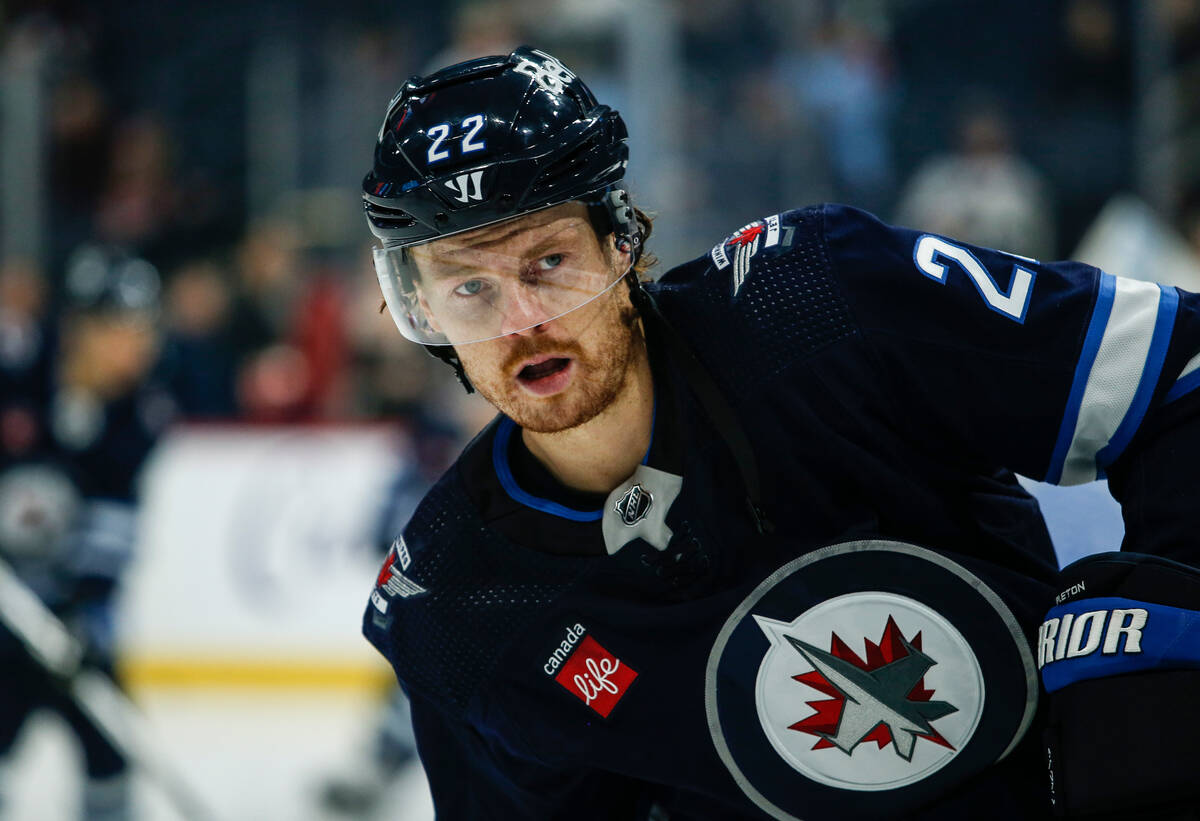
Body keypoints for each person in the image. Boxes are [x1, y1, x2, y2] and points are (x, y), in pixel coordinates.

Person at [360, 47, 1200, 820]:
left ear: (620, 243)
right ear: (423, 310)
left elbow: (1181, 370)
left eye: (549, 262)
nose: (524, 322)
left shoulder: (820, 300)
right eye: (470, 288)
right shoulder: (453, 608)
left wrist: (1176, 627)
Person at [0, 247, 172, 821]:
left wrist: (84, 614)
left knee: (111, 751)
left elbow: (111, 527)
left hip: (67, 626)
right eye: (125, 330)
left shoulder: (138, 415)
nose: (141, 346)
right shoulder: (16, 377)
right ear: (82, 328)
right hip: (4, 615)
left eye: (147, 331)